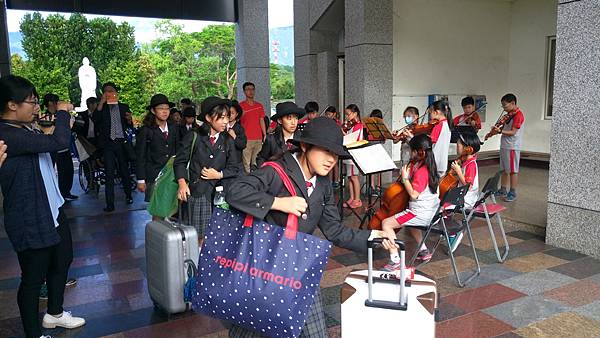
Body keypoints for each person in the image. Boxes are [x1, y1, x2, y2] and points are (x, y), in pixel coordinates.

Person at [226, 117, 392, 338]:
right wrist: (279, 203)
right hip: (263, 269)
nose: (331, 159)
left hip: (298, 269)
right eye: (325, 151)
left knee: (314, 333)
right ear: (304, 146)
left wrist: (375, 235)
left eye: (335, 154)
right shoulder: (275, 171)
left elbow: (334, 230)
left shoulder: (322, 184)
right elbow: (235, 191)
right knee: (251, 331)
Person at [0, 75, 86, 338]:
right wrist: (61, 114)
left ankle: (55, 314)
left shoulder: (26, 128)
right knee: (33, 279)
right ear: (11, 105)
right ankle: (33, 333)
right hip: (30, 216)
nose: (36, 107)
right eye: (32, 102)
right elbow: (59, 142)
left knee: (62, 261)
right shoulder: (7, 133)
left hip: (52, 208)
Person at [175, 96, 241, 239]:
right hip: (198, 193)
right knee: (199, 236)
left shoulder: (228, 140)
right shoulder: (193, 136)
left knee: (220, 235)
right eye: (221, 117)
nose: (226, 121)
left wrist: (219, 175)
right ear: (208, 118)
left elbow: (235, 168)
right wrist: (182, 183)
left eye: (227, 117)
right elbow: (180, 161)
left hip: (221, 196)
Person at [381, 134, 441, 269]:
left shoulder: (422, 171)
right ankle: (424, 250)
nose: (410, 154)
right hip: (433, 211)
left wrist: (405, 179)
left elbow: (414, 194)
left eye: (411, 150)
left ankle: (395, 259)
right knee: (412, 226)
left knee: (386, 224)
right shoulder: (430, 164)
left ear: (418, 152)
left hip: (421, 213)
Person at [92, 82, 134, 212]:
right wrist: (101, 103)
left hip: (121, 143)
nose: (109, 94)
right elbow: (94, 119)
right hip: (108, 144)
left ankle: (128, 195)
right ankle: (110, 203)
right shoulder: (102, 108)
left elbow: (130, 126)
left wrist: (129, 120)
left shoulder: (123, 107)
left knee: (124, 171)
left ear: (116, 93)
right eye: (106, 91)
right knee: (109, 173)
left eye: (111, 91)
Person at [136, 94, 179, 206]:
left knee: (172, 209)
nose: (165, 112)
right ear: (153, 111)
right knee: (157, 210)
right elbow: (140, 156)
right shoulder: (146, 130)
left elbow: (178, 150)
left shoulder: (174, 128)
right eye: (161, 108)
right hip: (154, 175)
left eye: (167, 108)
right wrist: (141, 179)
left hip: (171, 175)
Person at [446, 131, 481, 252]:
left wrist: (458, 171)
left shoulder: (471, 164)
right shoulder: (467, 160)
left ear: (468, 148)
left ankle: (453, 233)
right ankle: (452, 228)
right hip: (462, 196)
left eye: (459, 144)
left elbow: (467, 185)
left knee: (442, 208)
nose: (457, 145)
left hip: (466, 200)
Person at [495, 93, 525, 202]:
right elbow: (503, 127)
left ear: (513, 103)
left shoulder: (518, 115)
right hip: (504, 145)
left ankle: (512, 192)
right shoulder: (509, 114)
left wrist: (500, 131)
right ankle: (503, 189)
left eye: (505, 106)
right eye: (502, 106)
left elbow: (513, 132)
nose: (504, 108)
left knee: (513, 170)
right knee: (504, 169)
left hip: (512, 146)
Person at [256, 101, 305, 167]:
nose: (293, 122)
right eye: (289, 118)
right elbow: (261, 158)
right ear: (280, 121)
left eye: (296, 118)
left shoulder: (303, 139)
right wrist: (267, 174)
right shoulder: (271, 140)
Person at [239, 82, 266, 173]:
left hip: (258, 137)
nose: (250, 91)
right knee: (246, 163)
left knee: (257, 161)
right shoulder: (240, 106)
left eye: (252, 89)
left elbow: (261, 120)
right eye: (248, 89)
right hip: (246, 138)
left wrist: (264, 134)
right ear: (244, 91)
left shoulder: (259, 106)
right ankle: (247, 181)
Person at [343, 104, 364, 209]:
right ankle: (352, 198)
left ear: (355, 113)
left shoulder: (358, 125)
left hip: (354, 154)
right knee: (350, 177)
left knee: (354, 177)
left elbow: (353, 140)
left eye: (348, 114)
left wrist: (343, 133)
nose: (347, 117)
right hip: (348, 154)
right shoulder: (351, 125)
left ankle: (357, 199)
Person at [428, 100, 453, 178]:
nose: (430, 116)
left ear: (436, 112)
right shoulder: (447, 124)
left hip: (435, 161)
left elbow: (430, 142)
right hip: (443, 161)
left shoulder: (438, 125)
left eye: (430, 113)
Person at [227, 100, 248, 164]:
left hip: (236, 160)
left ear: (237, 114)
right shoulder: (222, 127)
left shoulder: (240, 129)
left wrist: (234, 136)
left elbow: (243, 145)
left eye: (232, 113)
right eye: (228, 113)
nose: (230, 115)